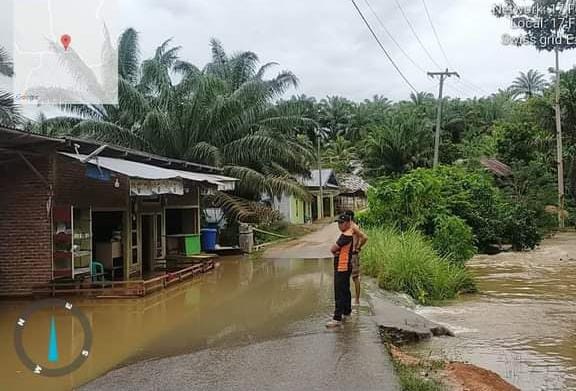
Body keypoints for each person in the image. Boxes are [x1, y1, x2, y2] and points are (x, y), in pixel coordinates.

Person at [326, 214, 355, 328]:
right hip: (346, 266)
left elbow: (333, 248)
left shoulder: (345, 236)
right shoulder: (350, 233)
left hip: (341, 267)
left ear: (348, 223)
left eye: (342, 223)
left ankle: (337, 318)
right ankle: (347, 312)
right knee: (345, 290)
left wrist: (334, 252)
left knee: (339, 292)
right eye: (338, 223)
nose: (339, 225)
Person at [345, 210, 368, 306]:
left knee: (355, 277)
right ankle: (352, 298)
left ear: (349, 217)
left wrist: (358, 247)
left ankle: (357, 300)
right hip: (349, 254)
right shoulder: (350, 227)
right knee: (348, 277)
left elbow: (365, 238)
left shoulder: (354, 227)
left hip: (353, 254)